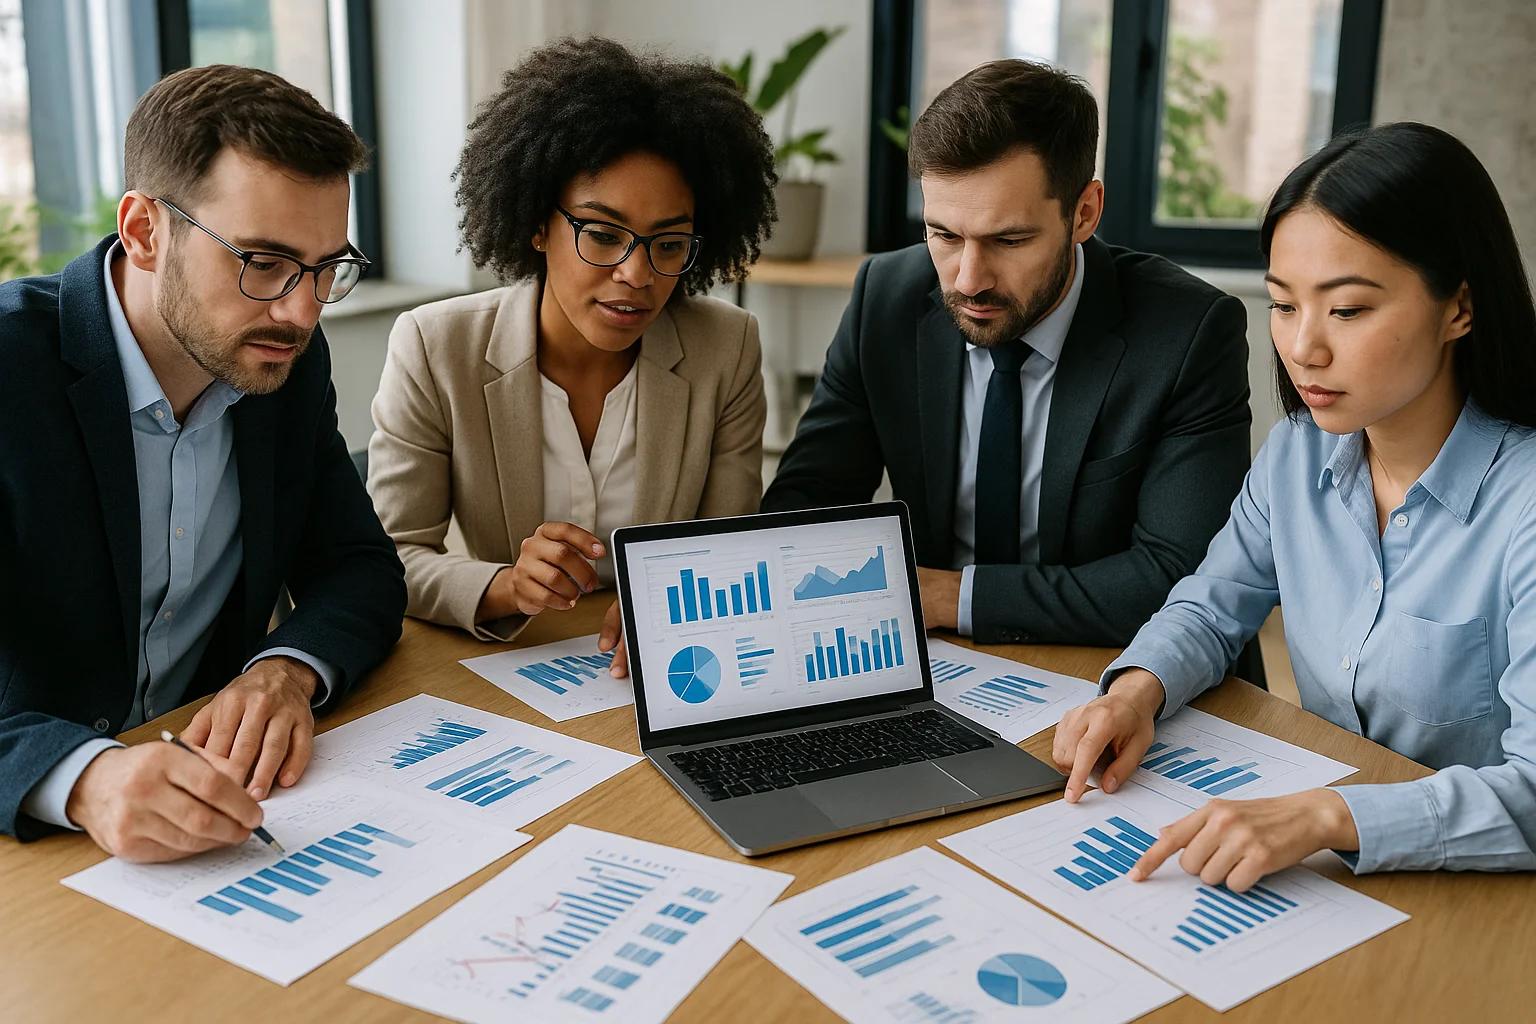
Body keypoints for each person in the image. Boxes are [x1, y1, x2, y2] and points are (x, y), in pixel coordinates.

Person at [1055, 122, 1536, 888]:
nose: (1303, 347)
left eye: (1347, 310)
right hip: (1328, 877)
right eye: (1283, 305)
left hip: (1475, 891)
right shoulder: (1297, 453)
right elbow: (1212, 606)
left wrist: (1327, 817)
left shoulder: (1524, 503)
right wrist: (1136, 692)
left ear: (1460, 307)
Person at [0, 66, 407, 859]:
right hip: (36, 846)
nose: (301, 311)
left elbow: (357, 566)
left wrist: (284, 669)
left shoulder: (283, 362)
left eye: (326, 268)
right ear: (145, 231)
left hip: (219, 812)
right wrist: (82, 778)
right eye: (262, 261)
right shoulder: (11, 368)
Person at [761, 60, 1252, 647]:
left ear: (1084, 213)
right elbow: (803, 511)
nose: (969, 280)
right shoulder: (885, 300)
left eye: (1009, 239)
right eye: (944, 235)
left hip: (1118, 663)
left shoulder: (1188, 332)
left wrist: (948, 596)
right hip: (936, 654)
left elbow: (1178, 577)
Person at [367, 37, 775, 677]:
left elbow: (727, 546)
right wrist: (506, 585)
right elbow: (390, 557)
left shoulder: (727, 347)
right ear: (538, 224)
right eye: (604, 235)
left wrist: (673, 606)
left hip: (659, 668)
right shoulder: (435, 347)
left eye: (669, 244)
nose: (636, 274)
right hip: (508, 659)